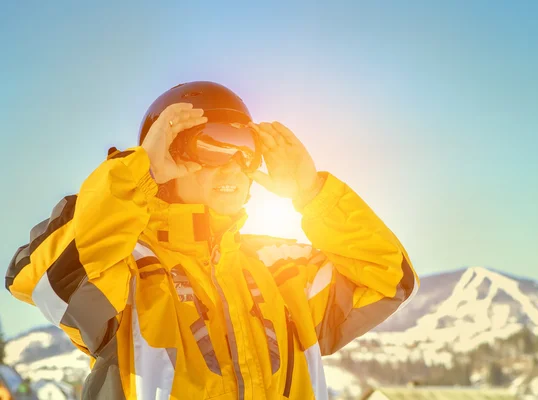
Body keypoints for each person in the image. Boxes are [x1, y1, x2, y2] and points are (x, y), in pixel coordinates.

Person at [5, 81, 419, 400]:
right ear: (166, 155)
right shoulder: (128, 269)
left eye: (246, 148)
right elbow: (45, 278)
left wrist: (312, 193)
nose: (233, 165)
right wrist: (138, 174)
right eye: (211, 145)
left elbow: (388, 278)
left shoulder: (281, 269)